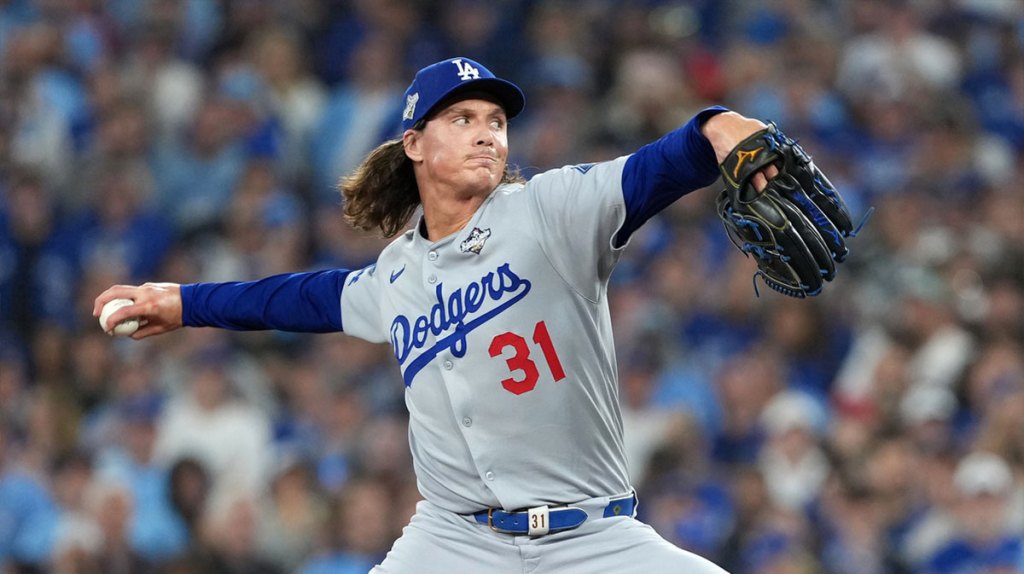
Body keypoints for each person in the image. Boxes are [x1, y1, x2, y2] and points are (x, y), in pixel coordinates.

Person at [95, 56, 782, 573]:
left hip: (594, 538)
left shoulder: (550, 212)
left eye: (496, 122)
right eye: (463, 119)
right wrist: (185, 302)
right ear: (415, 143)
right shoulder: (398, 272)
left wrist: (713, 127)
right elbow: (301, 299)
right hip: (454, 541)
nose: (487, 135)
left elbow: (655, 169)